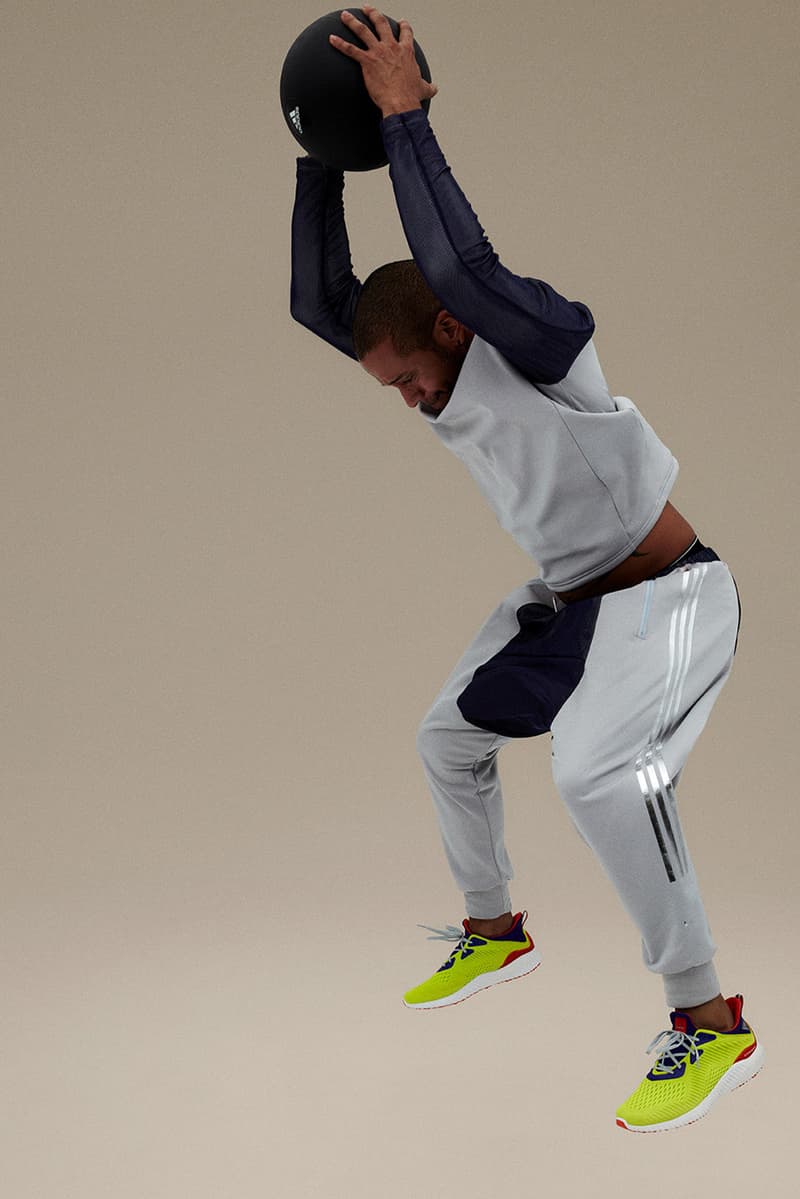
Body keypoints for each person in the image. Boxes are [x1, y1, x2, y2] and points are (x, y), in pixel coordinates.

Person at [289, 6, 764, 1131]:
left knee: (599, 778)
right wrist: (319, 154)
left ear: (453, 331)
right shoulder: (427, 368)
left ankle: (709, 1021)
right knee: (444, 739)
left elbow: (462, 264)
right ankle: (494, 930)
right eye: (393, 391)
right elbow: (318, 302)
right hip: (568, 607)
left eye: (410, 379)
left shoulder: (542, 348)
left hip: (672, 597)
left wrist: (401, 121)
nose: (411, 403)